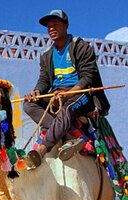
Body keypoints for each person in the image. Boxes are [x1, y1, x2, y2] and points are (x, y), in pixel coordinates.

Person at [23, 9, 110, 166]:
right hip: (56, 94)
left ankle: (42, 149)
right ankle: (70, 136)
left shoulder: (81, 46)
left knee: (67, 110)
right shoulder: (46, 54)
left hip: (81, 93)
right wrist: (37, 91)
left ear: (66, 26)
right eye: (49, 26)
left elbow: (87, 77)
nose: (51, 29)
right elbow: (44, 80)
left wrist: (69, 94)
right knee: (28, 104)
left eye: (55, 24)